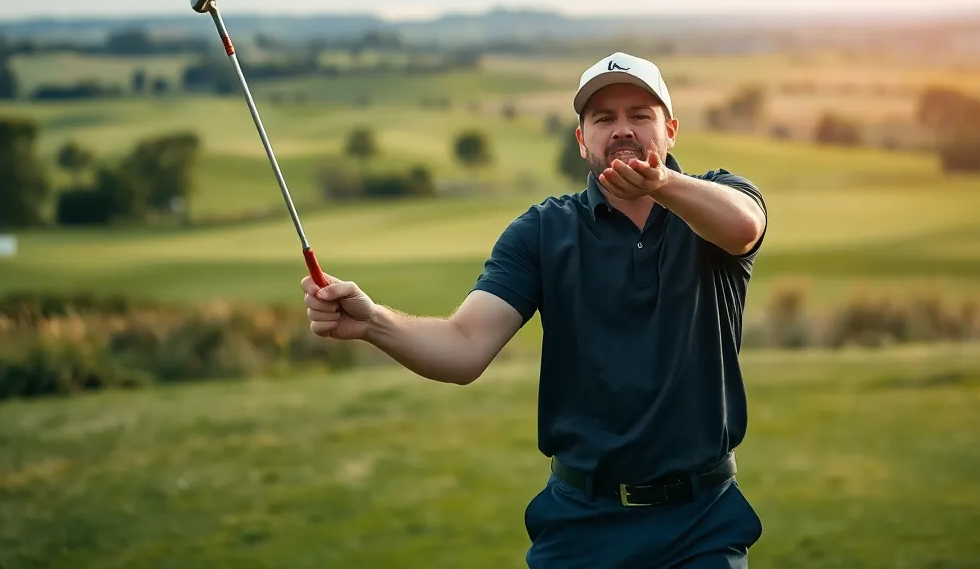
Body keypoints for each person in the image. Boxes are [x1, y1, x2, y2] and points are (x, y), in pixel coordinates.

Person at [302, 51, 768, 567]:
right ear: (581, 138)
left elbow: (744, 226)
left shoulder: (719, 198)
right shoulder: (543, 232)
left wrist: (663, 185)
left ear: (671, 129)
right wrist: (372, 322)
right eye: (603, 118)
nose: (622, 129)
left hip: (701, 524)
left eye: (640, 114)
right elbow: (464, 347)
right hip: (581, 524)